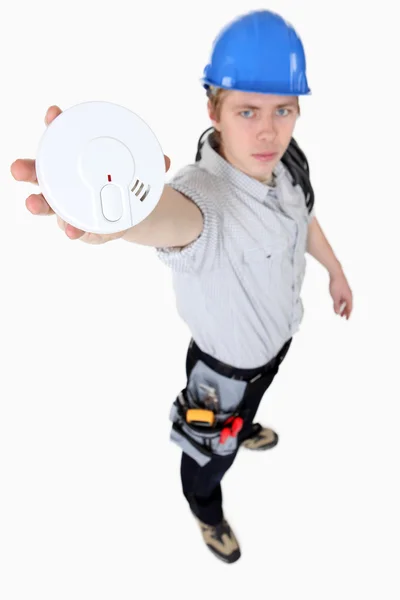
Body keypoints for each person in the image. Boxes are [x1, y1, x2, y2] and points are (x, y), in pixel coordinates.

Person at [11, 9, 353, 564]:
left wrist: (335, 270)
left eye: (283, 109)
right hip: (221, 374)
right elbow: (163, 218)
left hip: (276, 346)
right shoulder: (204, 200)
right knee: (206, 454)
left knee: (251, 405)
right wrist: (112, 218)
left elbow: (306, 218)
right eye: (247, 110)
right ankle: (205, 510)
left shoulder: (288, 162)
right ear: (213, 110)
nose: (268, 129)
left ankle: (244, 428)